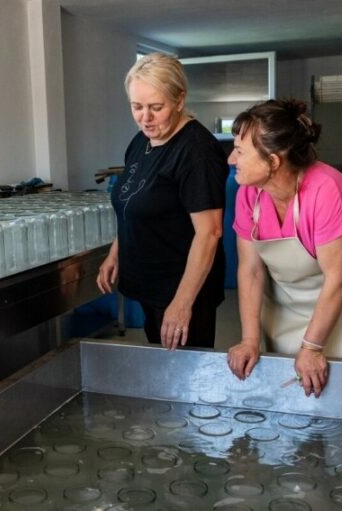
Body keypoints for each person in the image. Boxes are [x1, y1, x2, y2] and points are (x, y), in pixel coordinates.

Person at [225, 99, 342, 398]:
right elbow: (251, 270)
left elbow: (337, 278)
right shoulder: (248, 194)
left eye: (240, 151)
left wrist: (312, 347)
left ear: (273, 162)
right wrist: (249, 339)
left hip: (340, 297)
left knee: (339, 388)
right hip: (284, 298)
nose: (231, 159)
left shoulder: (327, 190)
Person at [97, 52, 227, 349]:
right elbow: (133, 200)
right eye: (137, 107)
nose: (146, 118)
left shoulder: (197, 152)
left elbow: (210, 233)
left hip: (181, 289)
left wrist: (182, 303)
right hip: (150, 285)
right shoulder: (141, 140)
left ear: (179, 101)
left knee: (183, 372)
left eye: (156, 107)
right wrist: (116, 253)